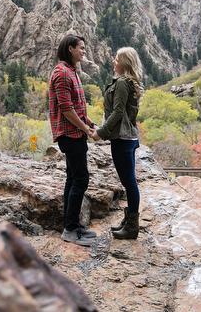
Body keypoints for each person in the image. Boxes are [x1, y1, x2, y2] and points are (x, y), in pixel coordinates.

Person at [49, 34, 99, 247]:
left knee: (72, 179)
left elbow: (77, 107)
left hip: (75, 132)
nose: (84, 51)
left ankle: (72, 226)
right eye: (81, 47)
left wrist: (90, 122)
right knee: (80, 179)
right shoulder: (61, 73)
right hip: (69, 133)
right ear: (70, 48)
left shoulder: (72, 72)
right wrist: (87, 130)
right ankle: (70, 230)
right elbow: (67, 110)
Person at [92, 47, 144, 240]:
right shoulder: (126, 82)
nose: (114, 62)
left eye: (116, 59)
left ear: (125, 63)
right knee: (129, 181)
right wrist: (100, 128)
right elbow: (113, 113)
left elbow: (118, 112)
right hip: (126, 138)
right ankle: (129, 221)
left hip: (122, 139)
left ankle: (132, 227)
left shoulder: (122, 83)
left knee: (129, 182)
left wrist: (100, 134)